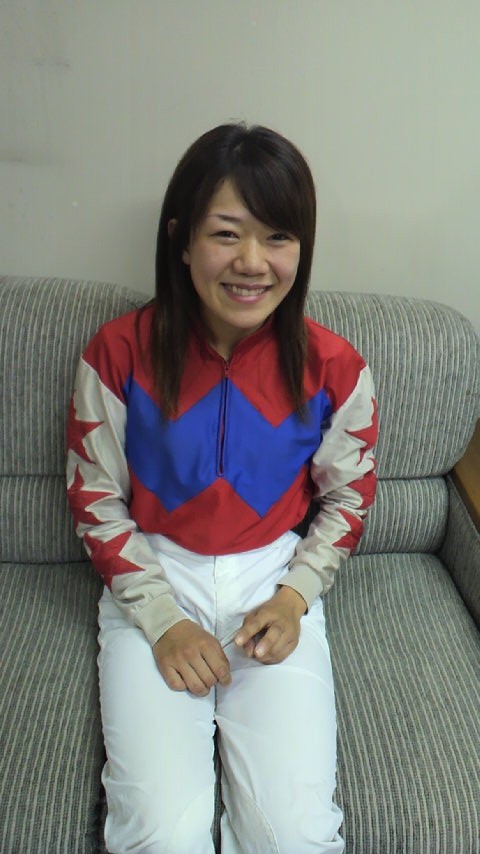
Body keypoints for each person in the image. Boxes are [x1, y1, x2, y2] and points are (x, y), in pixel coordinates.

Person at [66, 123, 377, 854]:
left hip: (272, 583)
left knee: (296, 838)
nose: (252, 263)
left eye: (278, 237)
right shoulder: (116, 353)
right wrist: (161, 619)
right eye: (227, 234)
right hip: (153, 578)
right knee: (160, 837)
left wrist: (294, 597)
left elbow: (348, 498)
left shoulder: (337, 368)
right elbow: (95, 497)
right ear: (181, 239)